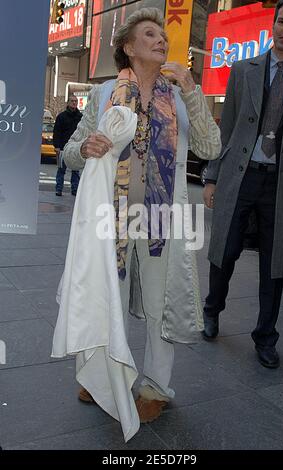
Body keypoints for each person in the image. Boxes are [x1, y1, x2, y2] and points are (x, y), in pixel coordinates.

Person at [51, 8, 221, 440]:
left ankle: (156, 386)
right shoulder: (106, 92)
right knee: (110, 295)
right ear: (128, 46)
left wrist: (193, 90)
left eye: (163, 35)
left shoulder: (181, 96)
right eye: (150, 34)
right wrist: (86, 146)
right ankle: (103, 375)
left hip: (163, 218)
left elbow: (211, 145)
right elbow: (71, 150)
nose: (161, 40)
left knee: (161, 305)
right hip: (113, 216)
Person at [203, 0, 283, 369]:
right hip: (240, 176)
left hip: (282, 185)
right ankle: (212, 310)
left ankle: (266, 337)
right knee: (224, 251)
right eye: (281, 21)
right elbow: (225, 130)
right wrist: (212, 177)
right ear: (273, 25)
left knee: (275, 265)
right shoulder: (244, 70)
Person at [53, 95, 82, 196]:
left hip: (76, 148)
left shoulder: (80, 117)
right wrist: (56, 146)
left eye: (76, 101)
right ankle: (59, 189)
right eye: (72, 101)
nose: (74, 103)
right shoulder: (61, 116)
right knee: (61, 170)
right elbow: (56, 132)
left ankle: (75, 189)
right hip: (62, 148)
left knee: (75, 170)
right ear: (68, 102)